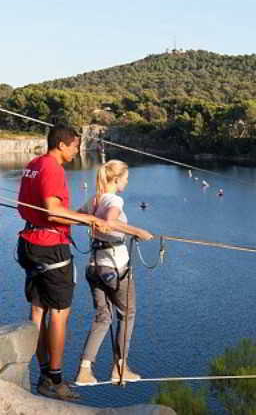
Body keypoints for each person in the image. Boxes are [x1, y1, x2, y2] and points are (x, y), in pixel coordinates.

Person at [17, 124, 110, 401]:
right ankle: (55, 380)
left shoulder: (32, 164)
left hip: (29, 242)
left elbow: (32, 206)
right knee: (59, 313)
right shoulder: (53, 168)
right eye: (74, 146)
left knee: (38, 311)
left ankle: (44, 372)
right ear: (61, 144)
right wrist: (90, 219)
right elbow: (53, 211)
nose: (76, 150)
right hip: (51, 248)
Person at [75, 159, 155, 386]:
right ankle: (120, 368)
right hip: (114, 267)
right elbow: (110, 221)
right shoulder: (113, 199)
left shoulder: (94, 199)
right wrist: (136, 231)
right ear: (117, 179)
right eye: (126, 179)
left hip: (94, 267)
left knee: (103, 318)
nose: (127, 183)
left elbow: (77, 216)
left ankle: (84, 370)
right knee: (127, 315)